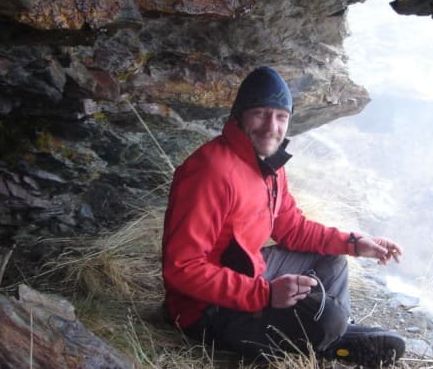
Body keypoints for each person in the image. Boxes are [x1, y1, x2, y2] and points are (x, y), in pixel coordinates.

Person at [162, 66, 406, 367]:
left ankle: (333, 333)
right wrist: (264, 294)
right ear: (239, 115)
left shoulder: (269, 165)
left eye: (281, 117)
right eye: (260, 114)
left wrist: (354, 243)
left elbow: (292, 228)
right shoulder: (211, 171)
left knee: (331, 261)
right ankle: (333, 337)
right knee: (327, 318)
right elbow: (182, 268)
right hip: (203, 310)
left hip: (248, 273)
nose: (271, 127)